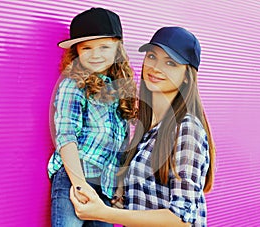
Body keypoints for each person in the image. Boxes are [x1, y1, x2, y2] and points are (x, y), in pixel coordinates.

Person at [69, 26, 216, 227]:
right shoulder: (148, 129)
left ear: (186, 76)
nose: (156, 68)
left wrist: (105, 213)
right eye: (152, 56)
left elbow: (182, 219)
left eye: (170, 63)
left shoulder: (186, 128)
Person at [47, 7, 137, 227]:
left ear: (118, 49)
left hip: (105, 187)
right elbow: (66, 137)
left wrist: (119, 188)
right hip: (75, 178)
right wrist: (79, 185)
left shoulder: (119, 90)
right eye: (87, 48)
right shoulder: (73, 84)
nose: (95, 54)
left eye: (104, 46)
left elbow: (121, 145)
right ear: (76, 52)